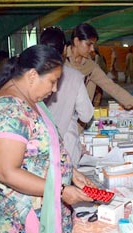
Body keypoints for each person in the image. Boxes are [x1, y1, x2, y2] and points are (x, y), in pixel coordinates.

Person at [0, 45, 94, 233]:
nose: (54, 89)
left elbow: (42, 152)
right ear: (32, 75)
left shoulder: (29, 101)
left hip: (42, 210)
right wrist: (63, 190)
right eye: (53, 81)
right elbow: (7, 171)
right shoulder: (9, 111)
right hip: (28, 217)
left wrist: (71, 172)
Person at [66, 23, 133, 120]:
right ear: (76, 41)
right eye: (89, 44)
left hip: (79, 121)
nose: (92, 49)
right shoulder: (60, 61)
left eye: (93, 45)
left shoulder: (90, 66)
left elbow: (112, 87)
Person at [40, 27, 94, 168]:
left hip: (37, 151)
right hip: (66, 149)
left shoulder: (31, 74)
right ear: (65, 48)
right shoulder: (73, 76)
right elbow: (86, 115)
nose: (54, 88)